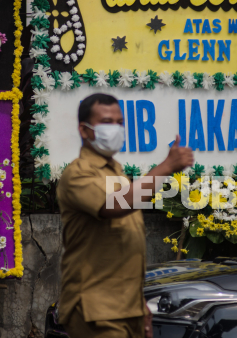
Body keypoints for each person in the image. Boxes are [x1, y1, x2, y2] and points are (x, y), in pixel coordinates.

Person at [57, 92, 194, 338]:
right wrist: (166, 167)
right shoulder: (77, 174)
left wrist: (138, 305)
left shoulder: (117, 173)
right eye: (107, 122)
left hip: (127, 307)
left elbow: (122, 249)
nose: (116, 129)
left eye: (120, 123)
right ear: (85, 130)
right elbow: (116, 206)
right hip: (94, 307)